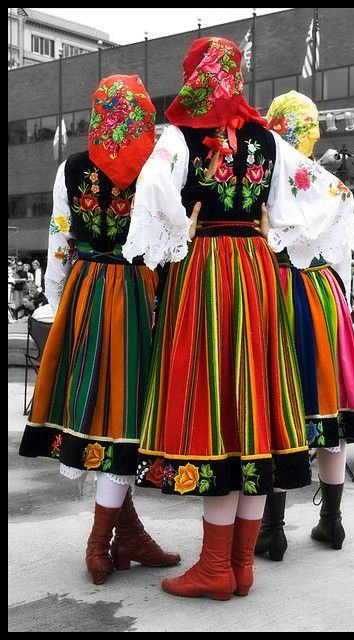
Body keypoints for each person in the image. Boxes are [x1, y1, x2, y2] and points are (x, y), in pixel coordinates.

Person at [123, 37, 315, 601]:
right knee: (252, 405)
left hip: (206, 268)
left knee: (216, 410)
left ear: (197, 75)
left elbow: (152, 194)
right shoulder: (268, 138)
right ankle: (240, 565)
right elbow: (323, 198)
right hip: (256, 271)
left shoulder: (180, 136)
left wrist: (177, 231)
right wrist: (273, 231)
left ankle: (215, 567)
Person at [18, 74, 181, 585]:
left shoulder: (71, 169)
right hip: (135, 292)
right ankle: (101, 540)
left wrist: (57, 299)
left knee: (101, 407)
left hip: (88, 290)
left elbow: (60, 241)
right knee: (126, 409)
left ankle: (123, 533)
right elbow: (170, 233)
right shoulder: (152, 166)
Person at [254, 90, 354, 561]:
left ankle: (272, 529)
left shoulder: (261, 180)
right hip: (324, 296)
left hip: (277, 293)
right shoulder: (331, 186)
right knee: (329, 411)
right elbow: (342, 259)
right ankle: (332, 522)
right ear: (310, 132)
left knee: (278, 408)